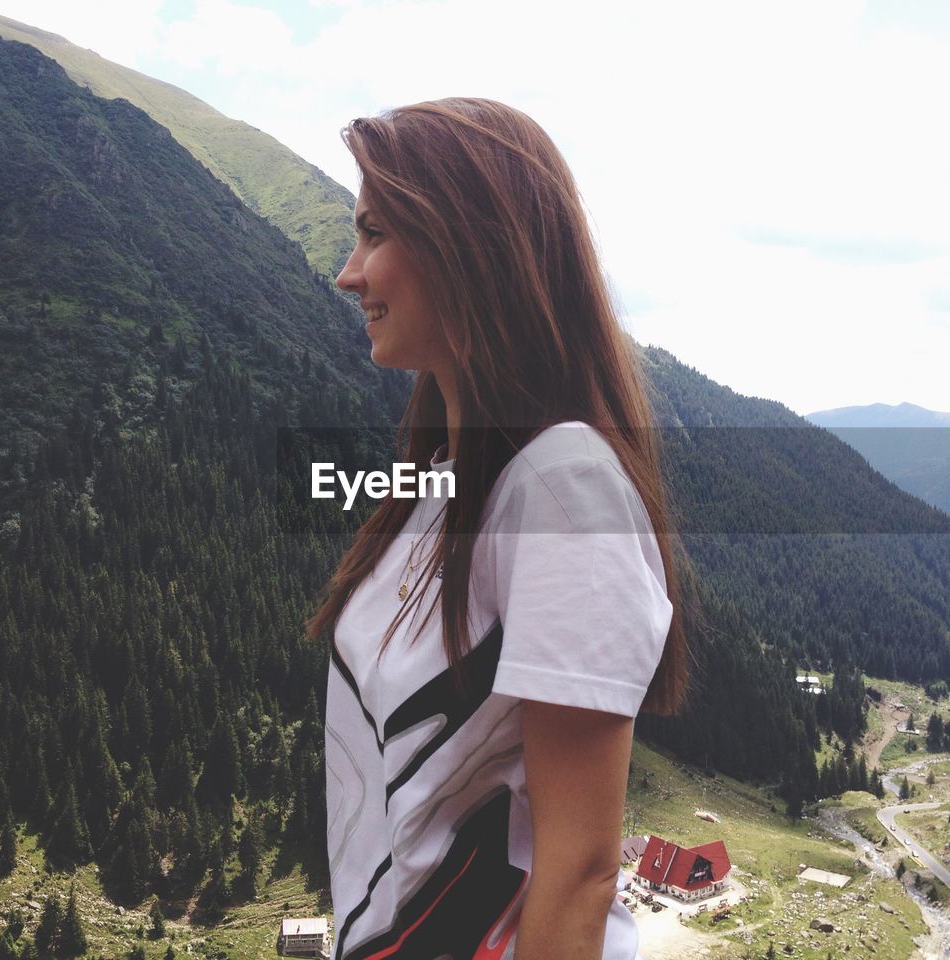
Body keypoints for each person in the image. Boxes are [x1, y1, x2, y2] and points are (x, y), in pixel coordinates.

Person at [306, 98, 692, 960]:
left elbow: (579, 873)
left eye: (373, 234)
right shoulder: (451, 479)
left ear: (465, 248)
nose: (348, 273)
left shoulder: (562, 492)